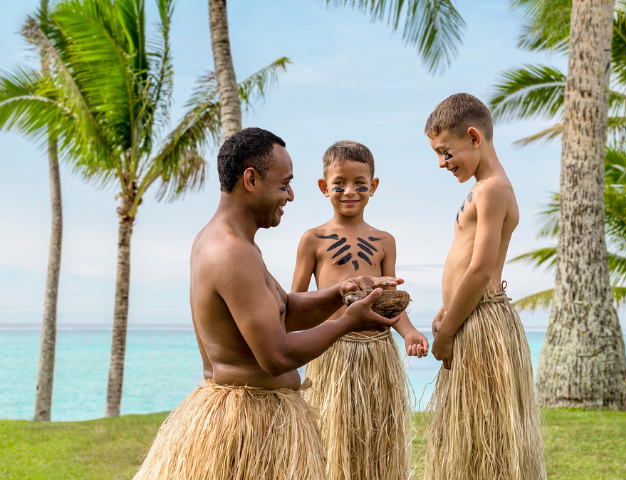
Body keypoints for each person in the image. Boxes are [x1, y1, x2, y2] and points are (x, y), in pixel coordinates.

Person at [132, 128, 401, 480]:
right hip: (246, 428)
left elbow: (285, 309)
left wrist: (342, 291)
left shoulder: (233, 243)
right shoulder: (231, 253)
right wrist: (348, 322)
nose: (290, 195)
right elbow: (275, 357)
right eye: (284, 183)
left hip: (258, 417)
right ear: (251, 179)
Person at [423, 93, 546, 480]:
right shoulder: (482, 188)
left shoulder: (492, 189)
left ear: (474, 138)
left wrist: (446, 337)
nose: (442, 164)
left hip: (478, 321)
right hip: (466, 316)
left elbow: (479, 270)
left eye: (446, 152)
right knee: (468, 440)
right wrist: (446, 311)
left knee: (485, 441)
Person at [291, 140, 428, 480]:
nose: (349, 191)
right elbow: (295, 301)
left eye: (359, 184)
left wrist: (409, 331)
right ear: (325, 187)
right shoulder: (314, 239)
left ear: (373, 187)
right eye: (339, 184)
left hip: (377, 355)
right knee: (330, 443)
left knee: (375, 443)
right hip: (332, 353)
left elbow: (391, 302)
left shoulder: (385, 241)